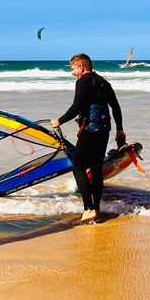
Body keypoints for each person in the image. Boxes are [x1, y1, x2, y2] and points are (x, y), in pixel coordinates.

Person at [51, 53, 125, 223]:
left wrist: (59, 121)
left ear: (81, 67)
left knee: (77, 167)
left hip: (90, 130)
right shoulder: (104, 82)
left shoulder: (82, 81)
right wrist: (120, 129)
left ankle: (88, 209)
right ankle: (96, 209)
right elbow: (115, 107)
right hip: (104, 129)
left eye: (73, 68)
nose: (72, 73)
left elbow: (76, 106)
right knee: (96, 168)